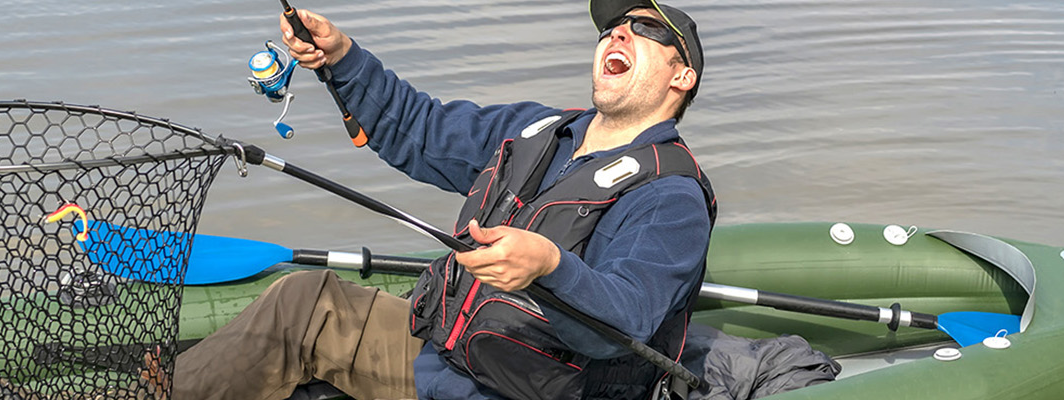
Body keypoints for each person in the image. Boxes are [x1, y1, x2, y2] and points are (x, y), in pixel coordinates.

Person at [174, 1, 716, 399]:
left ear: (682, 76)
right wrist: (342, 58)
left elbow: (627, 320)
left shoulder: (670, 195)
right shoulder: (536, 130)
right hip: (442, 356)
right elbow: (422, 131)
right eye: (611, 27)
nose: (617, 34)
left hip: (531, 391)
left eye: (643, 29)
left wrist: (549, 266)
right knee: (307, 303)